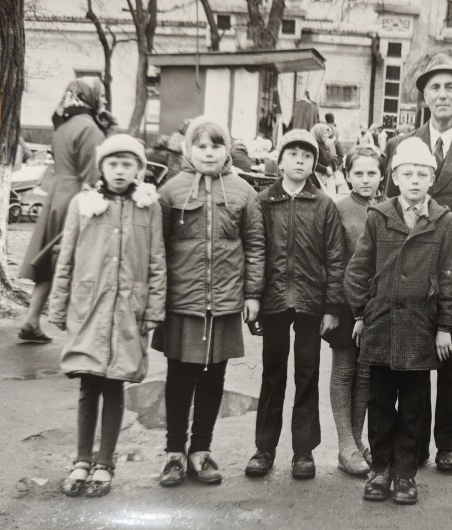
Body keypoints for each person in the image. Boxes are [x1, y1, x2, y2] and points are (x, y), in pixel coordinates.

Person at [384, 53, 452, 474]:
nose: (443, 94)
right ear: (424, 96)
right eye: (435, 87)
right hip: (409, 264)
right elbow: (389, 208)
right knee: (411, 355)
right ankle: (411, 444)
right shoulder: (401, 145)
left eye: (451, 87)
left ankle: (449, 444)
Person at [345, 137, 452, 505]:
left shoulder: (445, 222)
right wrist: (362, 313)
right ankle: (380, 470)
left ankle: (406, 474)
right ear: (394, 177)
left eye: (422, 174)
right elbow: (358, 270)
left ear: (432, 179)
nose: (414, 180)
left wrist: (445, 327)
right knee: (379, 403)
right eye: (407, 173)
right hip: (381, 325)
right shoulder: (379, 216)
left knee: (414, 406)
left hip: (420, 328)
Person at [49, 134, 166, 498]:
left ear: (138, 170)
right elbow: (66, 257)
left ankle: (105, 463)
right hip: (89, 308)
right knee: (89, 383)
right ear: (101, 167)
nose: (119, 171)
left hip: (129, 309)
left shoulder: (149, 207)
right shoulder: (83, 204)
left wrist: (153, 308)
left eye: (127, 164)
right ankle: (82, 460)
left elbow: (157, 260)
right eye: (112, 164)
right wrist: (59, 304)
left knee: (116, 382)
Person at [154, 116, 265, 488]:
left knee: (214, 377)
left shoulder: (244, 192)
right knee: (178, 376)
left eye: (216, 146)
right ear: (188, 150)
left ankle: (201, 450)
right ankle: (174, 453)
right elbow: (157, 249)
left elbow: (255, 247)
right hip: (181, 302)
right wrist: (158, 297)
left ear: (227, 150)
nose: (208, 153)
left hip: (225, 301)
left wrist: (252, 294)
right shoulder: (170, 191)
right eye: (200, 146)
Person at [245, 129, 347, 481]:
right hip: (273, 299)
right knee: (272, 374)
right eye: (293, 154)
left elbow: (335, 258)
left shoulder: (323, 204)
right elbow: (255, 250)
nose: (300, 161)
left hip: (310, 301)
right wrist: (253, 296)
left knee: (307, 373)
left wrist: (332, 306)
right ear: (280, 160)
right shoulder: (263, 202)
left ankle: (303, 450)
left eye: (307, 156)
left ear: (314, 163)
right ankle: (264, 448)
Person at [18, 77, 107, 344]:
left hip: (56, 195)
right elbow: (92, 175)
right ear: (90, 97)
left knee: (50, 260)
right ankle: (79, 334)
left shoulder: (64, 125)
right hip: (76, 198)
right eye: (100, 95)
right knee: (74, 263)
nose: (103, 99)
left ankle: (32, 321)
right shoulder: (90, 128)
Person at [327, 146, 385, 476]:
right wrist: (333, 306)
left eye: (371, 173)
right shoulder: (339, 209)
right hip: (345, 303)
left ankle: (358, 440)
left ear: (382, 175)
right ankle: (345, 444)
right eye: (358, 173)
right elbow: (333, 259)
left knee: (366, 373)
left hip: (376, 304)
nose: (365, 179)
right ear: (347, 175)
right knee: (344, 369)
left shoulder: (389, 208)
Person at [311, 123, 337, 196]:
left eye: (326, 133)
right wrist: (325, 169)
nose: (326, 135)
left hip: (326, 177)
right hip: (318, 177)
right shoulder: (314, 145)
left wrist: (334, 167)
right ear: (318, 133)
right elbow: (312, 162)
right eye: (324, 134)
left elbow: (329, 158)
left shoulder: (323, 144)